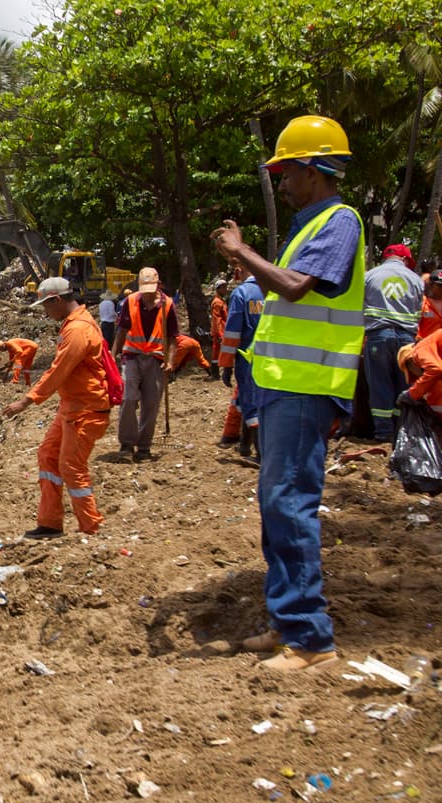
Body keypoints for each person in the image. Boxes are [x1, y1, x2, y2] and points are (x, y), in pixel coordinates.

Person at [212, 114, 364, 672]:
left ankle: (310, 639)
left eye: (285, 172)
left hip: (306, 387)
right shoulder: (312, 223)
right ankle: (287, 623)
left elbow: (297, 289)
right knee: (276, 506)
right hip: (283, 387)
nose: (280, 183)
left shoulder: (339, 221)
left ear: (313, 169)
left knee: (289, 504)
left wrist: (241, 252)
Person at [1, 277, 110, 539]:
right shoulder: (72, 324)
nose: (44, 311)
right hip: (71, 406)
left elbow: (59, 370)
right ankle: (50, 522)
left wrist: (27, 400)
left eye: (45, 306)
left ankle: (90, 527)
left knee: (72, 466)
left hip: (85, 408)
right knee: (48, 455)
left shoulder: (78, 329)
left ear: (57, 300)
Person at [112, 267, 177, 462]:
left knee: (151, 404)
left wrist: (171, 361)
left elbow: (173, 337)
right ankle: (126, 443)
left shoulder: (168, 305)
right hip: (132, 356)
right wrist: (112, 354)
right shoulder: (131, 302)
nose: (147, 294)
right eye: (144, 289)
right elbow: (122, 330)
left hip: (156, 360)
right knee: (128, 398)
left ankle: (144, 446)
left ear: (158, 285)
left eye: (151, 289)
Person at [363, 244, 424, 441]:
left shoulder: (369, 276)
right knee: (403, 385)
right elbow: (418, 312)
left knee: (380, 385)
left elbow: (359, 307)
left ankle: (383, 432)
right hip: (406, 340)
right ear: (405, 260)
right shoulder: (415, 280)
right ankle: (401, 433)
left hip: (378, 337)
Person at [217, 272, 266, 458]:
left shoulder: (242, 294)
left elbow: (232, 333)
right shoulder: (274, 292)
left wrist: (226, 364)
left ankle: (262, 454)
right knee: (250, 401)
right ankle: (245, 446)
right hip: (273, 358)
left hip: (248, 357)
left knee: (251, 403)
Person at [397, 333, 442, 419]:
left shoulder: (419, 350)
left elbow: (435, 369)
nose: (416, 376)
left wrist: (412, 394)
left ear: (410, 362)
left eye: (410, 372)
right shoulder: (433, 347)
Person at [417, 270, 442, 340]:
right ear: (431, 285)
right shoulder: (423, 302)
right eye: (439, 286)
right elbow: (414, 324)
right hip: (424, 344)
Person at [210, 280, 229, 363]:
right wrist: (220, 333)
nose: (226, 289)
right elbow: (216, 319)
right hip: (219, 331)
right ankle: (216, 371)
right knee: (216, 351)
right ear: (218, 289)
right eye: (223, 288)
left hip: (222, 330)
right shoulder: (217, 302)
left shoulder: (221, 301)